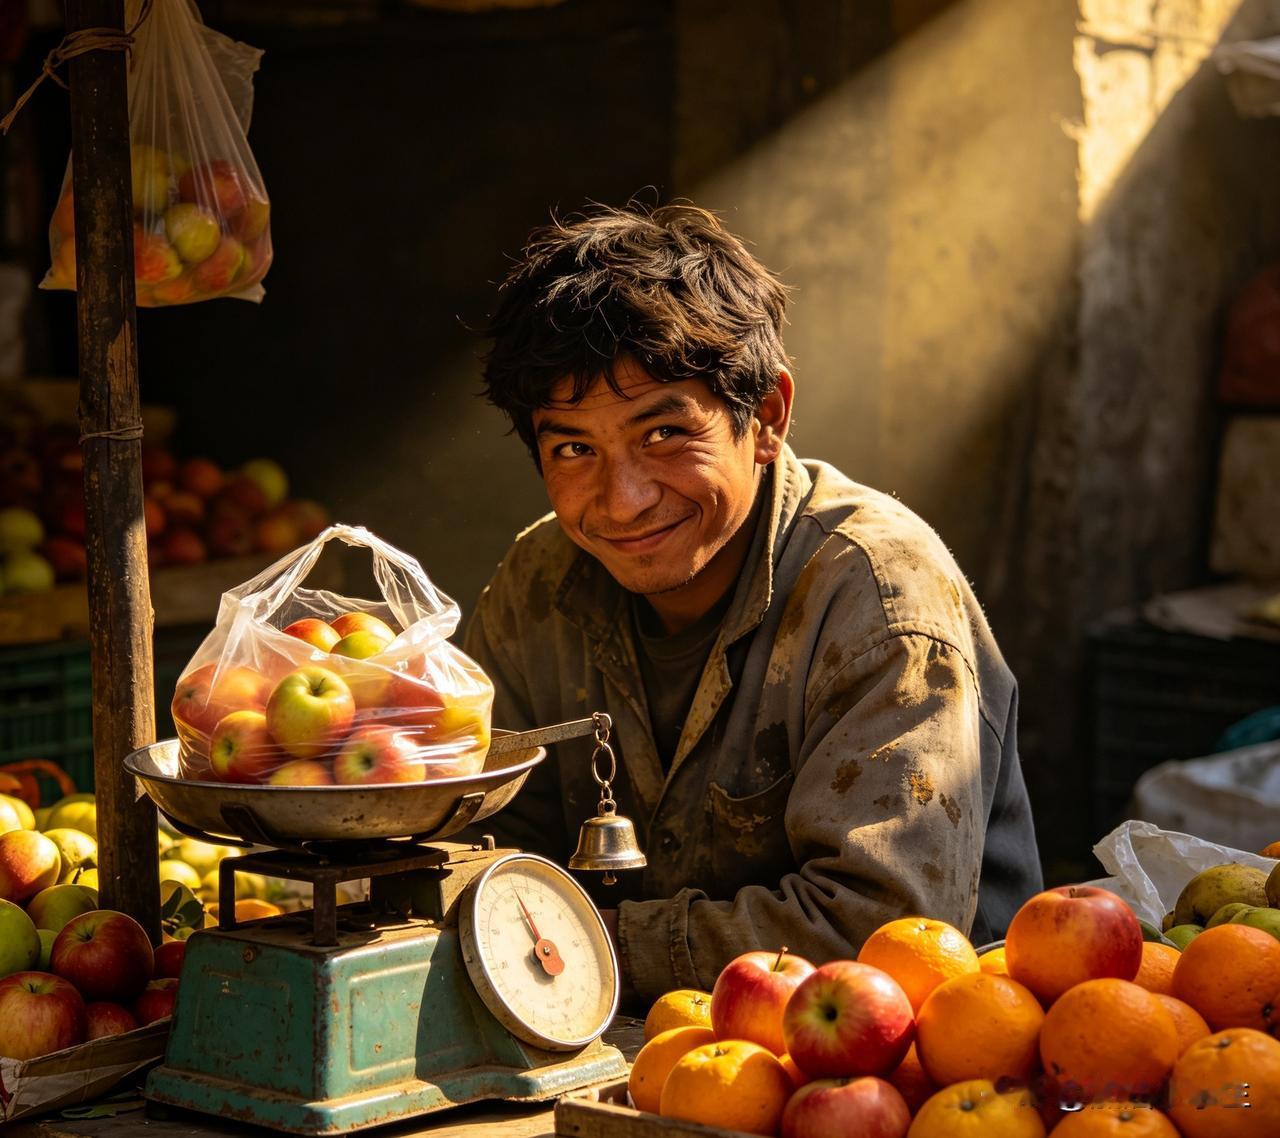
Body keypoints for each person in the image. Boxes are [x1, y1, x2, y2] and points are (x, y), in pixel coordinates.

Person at [464, 201, 1041, 1003]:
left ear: (766, 416)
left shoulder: (878, 594)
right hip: (640, 1052)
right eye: (573, 448)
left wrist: (562, 947)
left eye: (664, 434)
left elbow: (881, 934)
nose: (623, 500)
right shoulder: (542, 581)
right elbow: (483, 844)